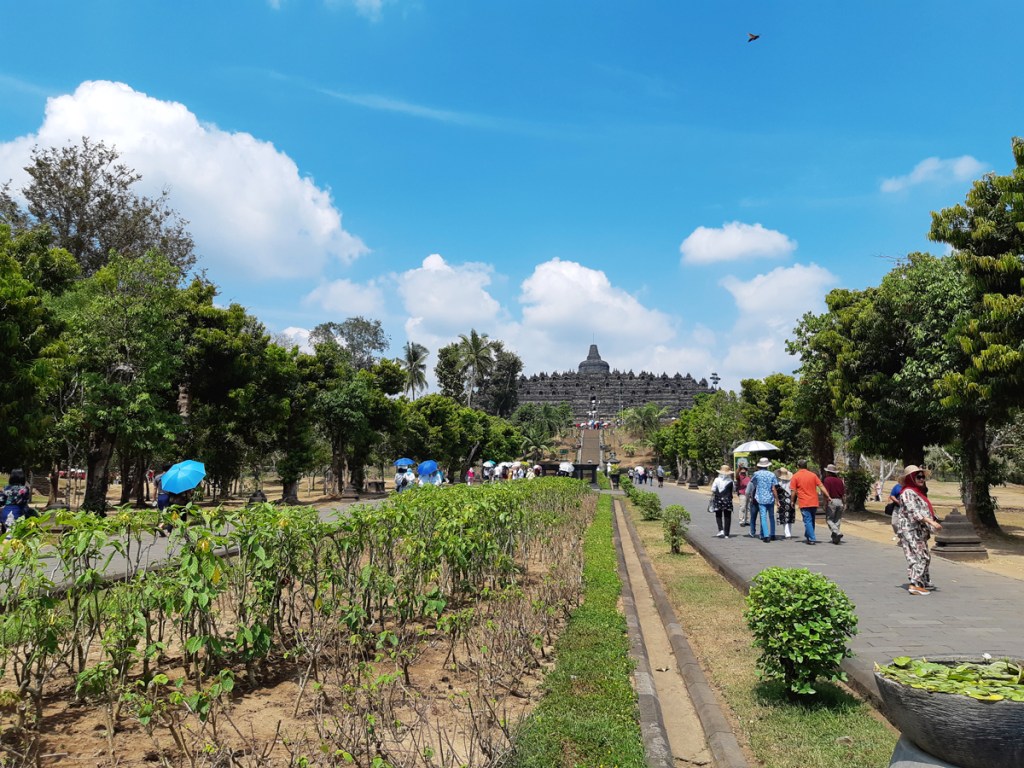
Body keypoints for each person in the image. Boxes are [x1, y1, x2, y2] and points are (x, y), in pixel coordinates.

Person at [895, 465, 942, 595]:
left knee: (925, 556)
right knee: (919, 557)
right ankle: (915, 584)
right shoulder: (907, 492)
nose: (921, 479)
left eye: (923, 477)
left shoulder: (916, 492)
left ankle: (923, 581)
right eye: (918, 477)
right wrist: (931, 521)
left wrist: (933, 521)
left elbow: (923, 510)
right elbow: (914, 512)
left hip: (919, 530)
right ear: (911, 478)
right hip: (910, 530)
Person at [789, 459, 831, 545]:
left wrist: (792, 501)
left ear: (798, 466)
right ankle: (808, 536)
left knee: (807, 520)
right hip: (814, 501)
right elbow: (821, 486)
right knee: (811, 520)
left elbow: (793, 491)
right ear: (806, 466)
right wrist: (828, 496)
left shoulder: (795, 476)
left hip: (804, 502)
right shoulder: (813, 475)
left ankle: (812, 538)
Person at [749, 457, 779, 542]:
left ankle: (766, 535)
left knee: (763, 517)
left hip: (761, 498)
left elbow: (754, 483)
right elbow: (774, 488)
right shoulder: (772, 474)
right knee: (771, 516)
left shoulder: (756, 474)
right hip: (770, 498)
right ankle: (772, 534)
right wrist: (777, 500)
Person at [1, 469, 33, 534]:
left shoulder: (6, 488)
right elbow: (24, 501)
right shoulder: (25, 489)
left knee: (5, 535)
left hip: (6, 513)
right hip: (19, 513)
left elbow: (1, 501)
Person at [822, 463, 846, 544]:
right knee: (837, 520)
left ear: (828, 472)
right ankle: (835, 539)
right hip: (840, 501)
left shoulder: (827, 480)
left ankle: (837, 532)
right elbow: (843, 493)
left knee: (829, 519)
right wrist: (844, 503)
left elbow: (826, 493)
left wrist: (825, 503)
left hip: (831, 500)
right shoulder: (840, 481)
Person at [710, 464, 734, 538]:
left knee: (718, 515)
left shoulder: (717, 479)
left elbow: (713, 489)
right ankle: (727, 533)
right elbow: (733, 490)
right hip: (728, 500)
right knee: (727, 516)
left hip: (718, 499)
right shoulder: (730, 481)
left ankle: (721, 530)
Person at [775, 467, 795, 539]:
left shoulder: (778, 481)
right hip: (790, 498)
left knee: (784, 517)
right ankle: (789, 532)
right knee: (789, 516)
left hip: (782, 499)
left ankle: (787, 533)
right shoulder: (791, 481)